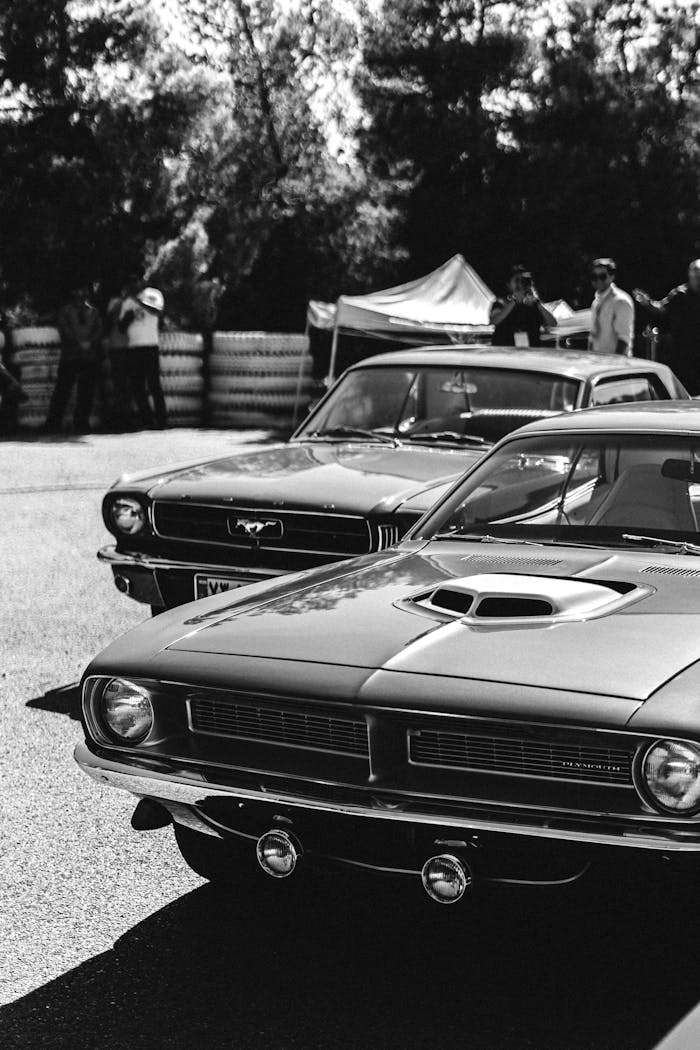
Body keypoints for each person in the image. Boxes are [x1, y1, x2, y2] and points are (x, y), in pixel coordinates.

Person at [633, 260, 700, 392]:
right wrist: (648, 303)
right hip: (683, 350)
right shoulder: (680, 294)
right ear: (690, 276)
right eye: (696, 277)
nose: (699, 281)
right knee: (685, 386)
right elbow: (661, 308)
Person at [44, 288, 103, 433]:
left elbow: (99, 330)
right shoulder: (65, 311)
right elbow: (64, 329)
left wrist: (90, 342)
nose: (80, 298)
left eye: (83, 296)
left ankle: (82, 424)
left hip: (89, 357)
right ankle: (53, 424)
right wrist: (78, 342)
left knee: (86, 392)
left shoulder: (94, 312)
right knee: (62, 391)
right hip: (70, 356)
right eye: (78, 295)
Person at [120, 286, 167, 429]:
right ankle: (147, 420)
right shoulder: (127, 303)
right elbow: (121, 327)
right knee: (137, 385)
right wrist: (129, 316)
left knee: (154, 384)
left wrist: (141, 302)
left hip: (151, 346)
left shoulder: (153, 294)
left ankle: (162, 420)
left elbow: (159, 312)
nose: (135, 284)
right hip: (134, 347)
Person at [490, 267, 557, 348]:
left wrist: (537, 304)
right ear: (508, 284)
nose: (520, 283)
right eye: (517, 280)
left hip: (529, 351)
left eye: (522, 280)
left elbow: (553, 323)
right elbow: (495, 321)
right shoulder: (501, 302)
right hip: (506, 350)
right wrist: (514, 302)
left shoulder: (532, 303)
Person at [588, 258, 634, 356]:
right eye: (594, 276)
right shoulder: (596, 302)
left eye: (602, 276)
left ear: (612, 276)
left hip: (615, 366)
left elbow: (624, 339)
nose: (598, 280)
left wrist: (613, 363)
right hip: (596, 362)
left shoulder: (621, 301)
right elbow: (593, 336)